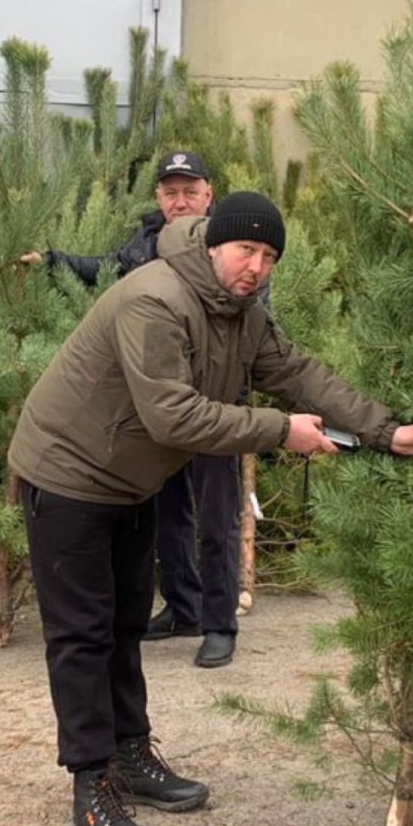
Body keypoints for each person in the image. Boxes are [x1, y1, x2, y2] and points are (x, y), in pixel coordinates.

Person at [9, 191, 413, 826]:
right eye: (247, 250)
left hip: (130, 480)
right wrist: (280, 432)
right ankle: (91, 784)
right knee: (82, 637)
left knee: (125, 626)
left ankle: (129, 755)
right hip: (68, 475)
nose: (257, 267)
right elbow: (173, 417)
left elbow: (299, 375)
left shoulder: (241, 315)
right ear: (214, 245)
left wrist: (387, 432)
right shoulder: (155, 300)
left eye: (270, 256)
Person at [21, 151, 246, 669]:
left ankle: (219, 624)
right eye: (171, 191)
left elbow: (252, 328)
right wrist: (52, 260)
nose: (180, 200)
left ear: (210, 194)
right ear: (158, 197)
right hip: (157, 408)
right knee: (167, 515)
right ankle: (183, 607)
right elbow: (103, 270)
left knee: (216, 519)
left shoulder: (233, 245)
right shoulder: (145, 246)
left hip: (213, 406)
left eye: (190, 190)